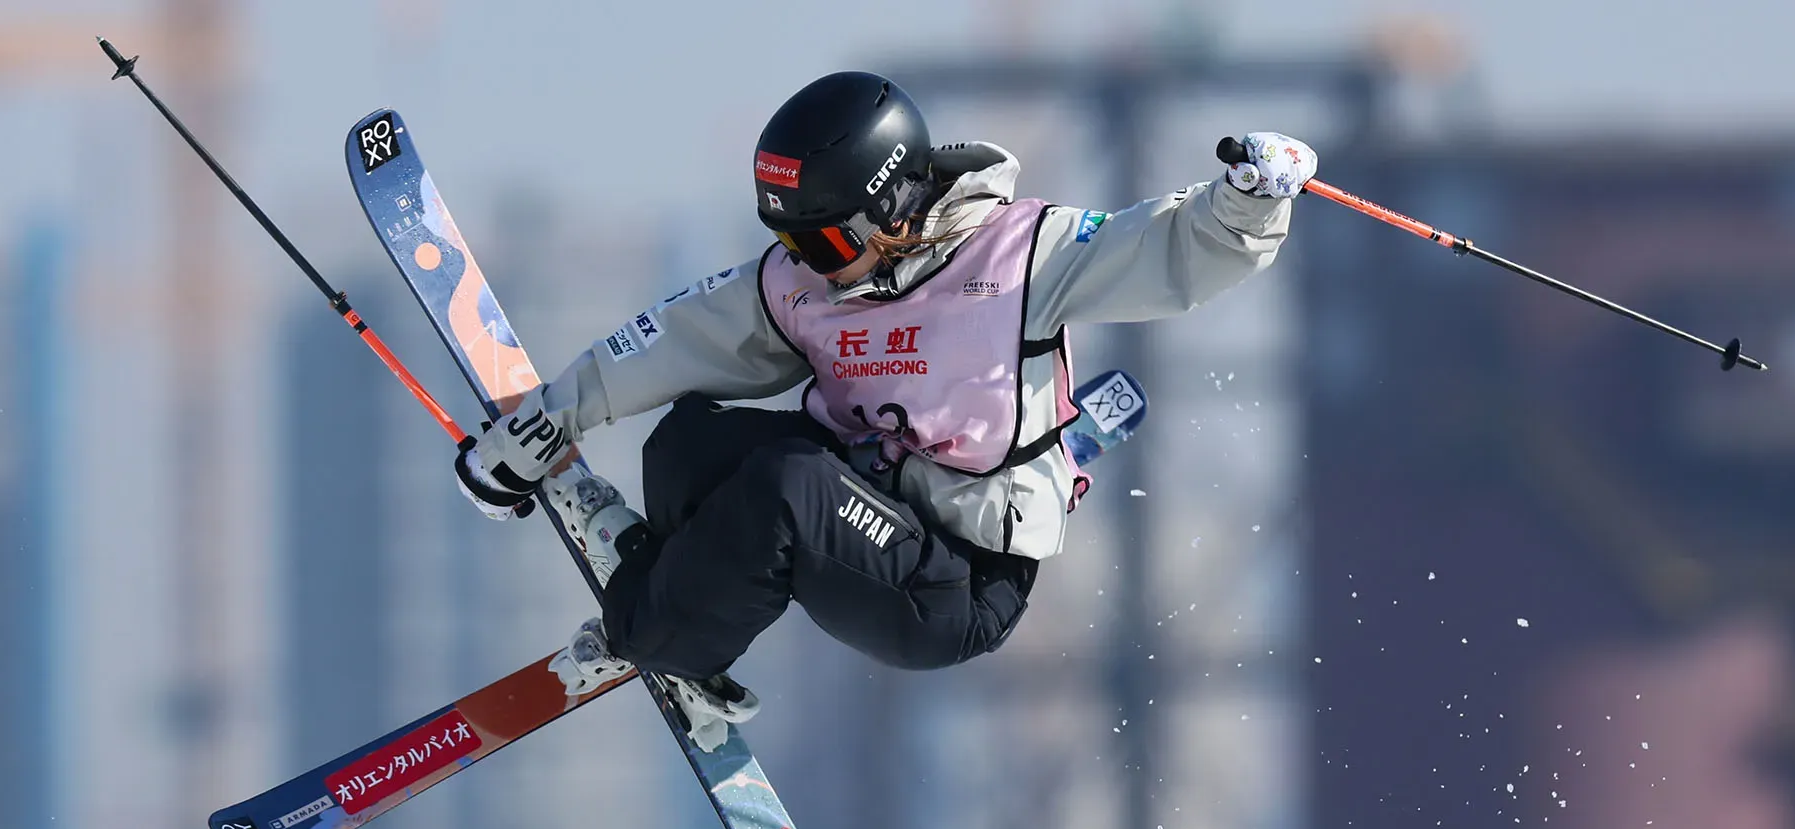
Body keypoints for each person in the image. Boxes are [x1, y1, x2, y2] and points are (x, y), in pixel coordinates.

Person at [454, 71, 1316, 751]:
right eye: (789, 241)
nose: (810, 267)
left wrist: (1247, 200)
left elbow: (1164, 248)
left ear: (895, 203)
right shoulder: (804, 286)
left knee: (783, 485)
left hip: (955, 581)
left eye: (825, 242)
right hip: (867, 498)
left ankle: (664, 636)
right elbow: (681, 338)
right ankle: (676, 597)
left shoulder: (1019, 257)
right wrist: (552, 419)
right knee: (692, 439)